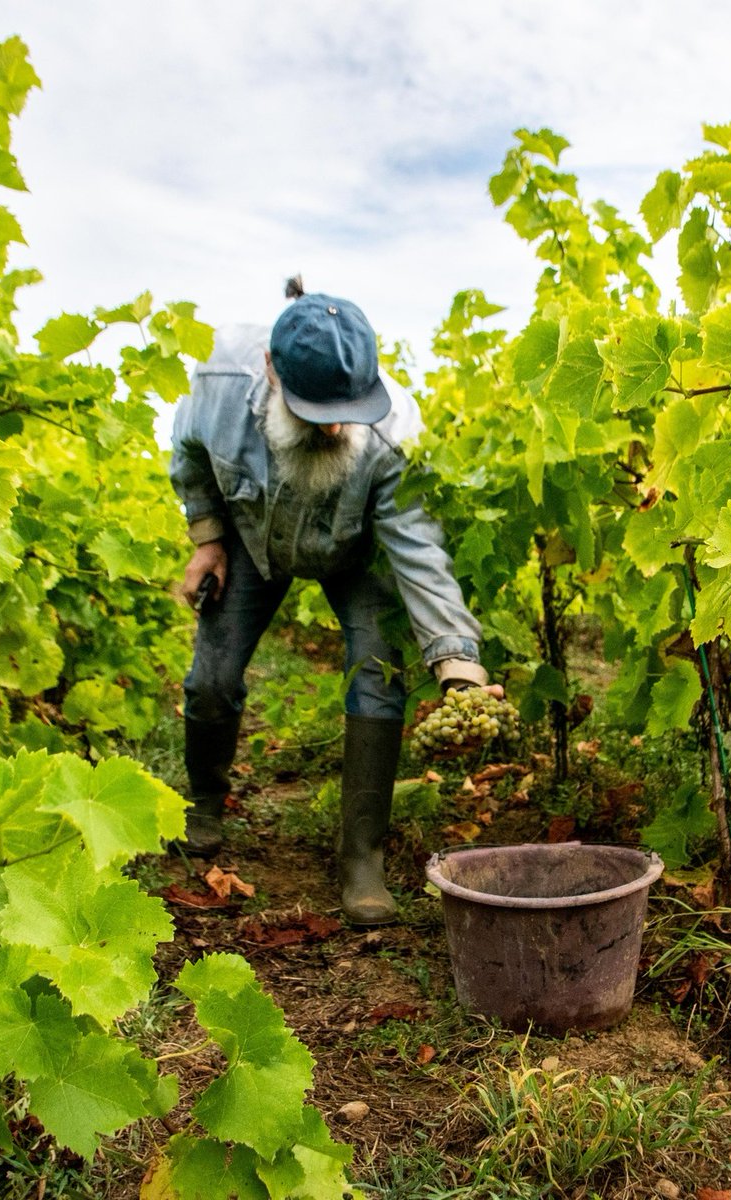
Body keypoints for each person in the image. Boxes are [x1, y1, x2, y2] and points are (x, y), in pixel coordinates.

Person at [169, 279, 490, 925]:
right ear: (272, 371)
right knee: (211, 679)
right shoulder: (219, 381)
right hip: (254, 538)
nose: (339, 426)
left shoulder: (395, 436)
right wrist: (208, 537)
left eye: (351, 408)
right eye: (318, 410)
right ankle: (203, 804)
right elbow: (191, 452)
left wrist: (458, 665)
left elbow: (420, 550)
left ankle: (362, 860)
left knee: (378, 678)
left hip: (356, 551)